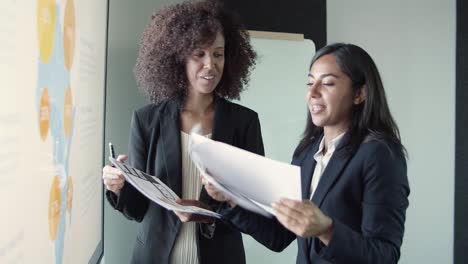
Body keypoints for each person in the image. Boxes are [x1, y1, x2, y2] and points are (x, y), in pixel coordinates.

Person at [204, 43, 410, 263]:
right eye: (310, 83)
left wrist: (328, 230)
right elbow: (279, 236)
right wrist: (231, 198)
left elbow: (384, 255)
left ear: (359, 94)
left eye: (328, 83)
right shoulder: (307, 152)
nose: (312, 93)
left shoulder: (380, 154)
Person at [101, 1, 263, 263]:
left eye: (218, 54)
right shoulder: (146, 120)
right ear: (179, 57)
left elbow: (253, 210)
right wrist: (118, 187)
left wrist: (219, 204)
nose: (210, 65)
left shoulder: (244, 122)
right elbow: (138, 209)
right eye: (199, 54)